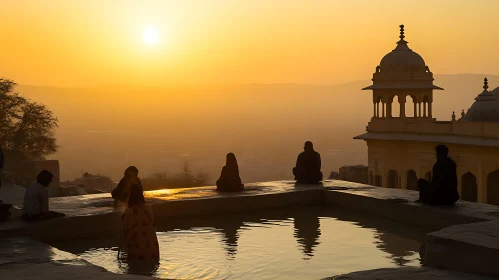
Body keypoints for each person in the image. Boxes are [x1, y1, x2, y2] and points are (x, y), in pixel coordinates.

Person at [121, 183, 160, 261]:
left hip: (137, 246)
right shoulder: (148, 209)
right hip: (152, 246)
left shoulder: (129, 211)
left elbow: (126, 230)